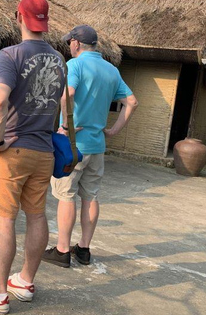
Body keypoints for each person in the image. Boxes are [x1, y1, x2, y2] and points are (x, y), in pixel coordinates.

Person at [0, 0, 65, 314]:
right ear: (45, 22)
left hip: (13, 149)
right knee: (36, 215)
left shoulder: (10, 54)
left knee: (4, 220)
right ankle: (25, 282)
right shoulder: (60, 59)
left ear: (19, 16)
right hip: (44, 150)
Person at [42, 25, 138, 268]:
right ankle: (83, 249)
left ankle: (62, 250)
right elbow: (132, 102)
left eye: (69, 43)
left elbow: (67, 95)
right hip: (97, 145)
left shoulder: (75, 65)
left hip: (74, 146)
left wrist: (66, 126)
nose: (69, 47)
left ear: (76, 43)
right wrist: (114, 130)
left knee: (66, 196)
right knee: (91, 196)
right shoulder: (112, 70)